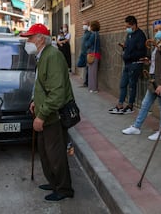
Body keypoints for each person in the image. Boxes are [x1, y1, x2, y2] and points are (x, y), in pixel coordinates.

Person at [21, 23, 74, 201]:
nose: (27, 41)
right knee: (45, 152)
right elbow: (43, 84)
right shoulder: (42, 55)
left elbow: (57, 93)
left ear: (40, 39)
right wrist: (36, 102)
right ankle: (54, 183)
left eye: (29, 38)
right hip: (44, 112)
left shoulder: (53, 56)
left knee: (55, 154)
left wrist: (42, 115)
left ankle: (64, 188)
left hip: (52, 116)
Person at [122, 20, 161, 140]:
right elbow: (159, 63)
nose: (158, 32)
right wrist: (149, 61)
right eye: (155, 30)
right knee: (146, 103)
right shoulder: (158, 43)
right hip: (154, 78)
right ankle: (136, 127)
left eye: (160, 29)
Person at [109, 15, 146, 114]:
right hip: (127, 64)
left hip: (135, 64)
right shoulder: (130, 34)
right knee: (123, 84)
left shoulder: (140, 35)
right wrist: (124, 47)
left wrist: (129, 55)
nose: (127, 29)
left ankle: (130, 106)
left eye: (128, 27)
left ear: (134, 25)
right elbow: (130, 47)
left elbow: (142, 52)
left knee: (132, 85)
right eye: (126, 27)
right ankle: (120, 105)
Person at [85, 20, 101, 93]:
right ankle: (92, 88)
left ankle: (93, 88)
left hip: (93, 55)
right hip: (96, 55)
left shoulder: (93, 35)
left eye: (90, 25)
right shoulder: (97, 34)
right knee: (93, 72)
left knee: (92, 72)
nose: (89, 27)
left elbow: (87, 44)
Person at [76, 20, 91, 87]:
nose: (83, 26)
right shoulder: (84, 33)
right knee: (82, 66)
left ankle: (86, 82)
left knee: (87, 68)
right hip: (83, 52)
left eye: (85, 24)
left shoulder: (89, 33)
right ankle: (85, 81)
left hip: (87, 53)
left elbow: (89, 43)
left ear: (88, 25)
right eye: (83, 24)